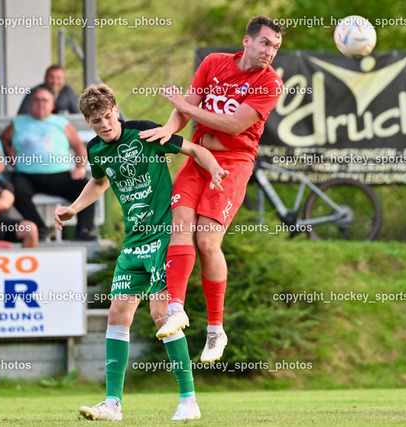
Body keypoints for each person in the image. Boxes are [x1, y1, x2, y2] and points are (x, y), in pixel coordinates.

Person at [55, 84, 229, 421]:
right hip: (133, 242)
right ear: (88, 122)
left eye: (108, 116)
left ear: (116, 110)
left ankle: (189, 401)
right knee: (117, 314)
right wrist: (74, 208)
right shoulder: (95, 150)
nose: (105, 124)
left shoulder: (146, 133)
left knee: (161, 313)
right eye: (96, 121)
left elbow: (194, 150)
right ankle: (112, 404)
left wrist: (215, 170)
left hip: (164, 238)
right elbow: (100, 182)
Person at [140, 16, 284, 363]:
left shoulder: (270, 83)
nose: (270, 52)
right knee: (179, 225)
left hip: (233, 164)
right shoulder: (213, 63)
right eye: (265, 43)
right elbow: (184, 110)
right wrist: (169, 130)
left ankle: (216, 330)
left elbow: (233, 124)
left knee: (206, 241)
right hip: (197, 158)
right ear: (247, 41)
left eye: (276, 47)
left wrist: (186, 108)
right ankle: (176, 309)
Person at [1, 86, 94, 241]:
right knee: (14, 188)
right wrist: (9, 151)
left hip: (60, 175)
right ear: (31, 103)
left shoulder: (61, 123)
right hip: (27, 175)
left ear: (52, 104)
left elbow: (79, 146)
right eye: (37, 100)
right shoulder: (18, 123)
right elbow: (3, 139)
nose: (40, 104)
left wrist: (80, 167)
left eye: (45, 100)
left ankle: (83, 230)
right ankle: (40, 228)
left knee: (87, 187)